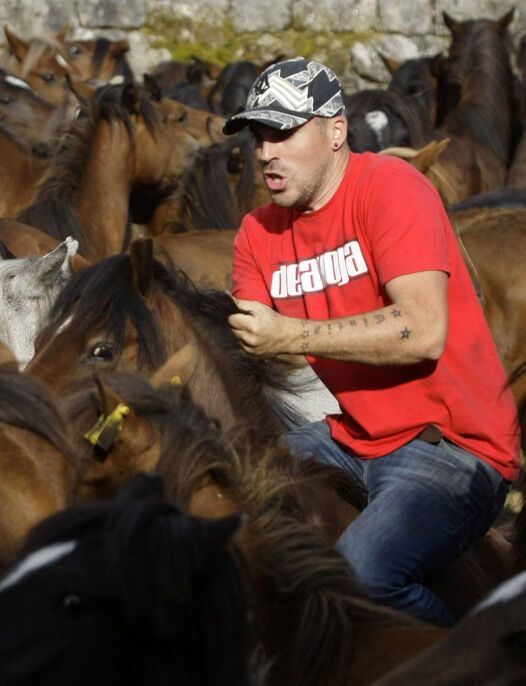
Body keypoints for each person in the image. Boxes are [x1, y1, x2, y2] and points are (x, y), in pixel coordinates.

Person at [223, 57, 520, 627]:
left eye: (283, 132)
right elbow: (241, 337)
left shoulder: (392, 188)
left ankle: (472, 659)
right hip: (350, 436)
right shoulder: (256, 234)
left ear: (336, 131)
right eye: (259, 136)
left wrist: (293, 333)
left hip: (455, 447)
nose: (266, 153)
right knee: (231, 495)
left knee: (363, 579)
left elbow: (422, 331)